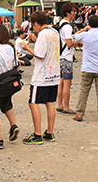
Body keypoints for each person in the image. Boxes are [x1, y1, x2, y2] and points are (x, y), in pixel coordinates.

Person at [19, 11, 60, 145]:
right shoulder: (54, 32)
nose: (33, 27)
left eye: (33, 25)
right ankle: (49, 132)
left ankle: (37, 134)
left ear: (36, 23)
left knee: (33, 102)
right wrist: (36, 40)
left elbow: (40, 55)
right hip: (53, 74)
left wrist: (26, 47)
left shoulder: (43, 35)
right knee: (50, 103)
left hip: (42, 75)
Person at [56, 2, 80, 115]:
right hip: (67, 58)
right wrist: (78, 43)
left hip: (60, 57)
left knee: (60, 82)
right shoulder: (68, 27)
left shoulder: (61, 24)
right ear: (67, 13)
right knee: (67, 83)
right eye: (73, 11)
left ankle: (59, 104)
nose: (75, 13)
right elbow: (69, 43)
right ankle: (66, 107)